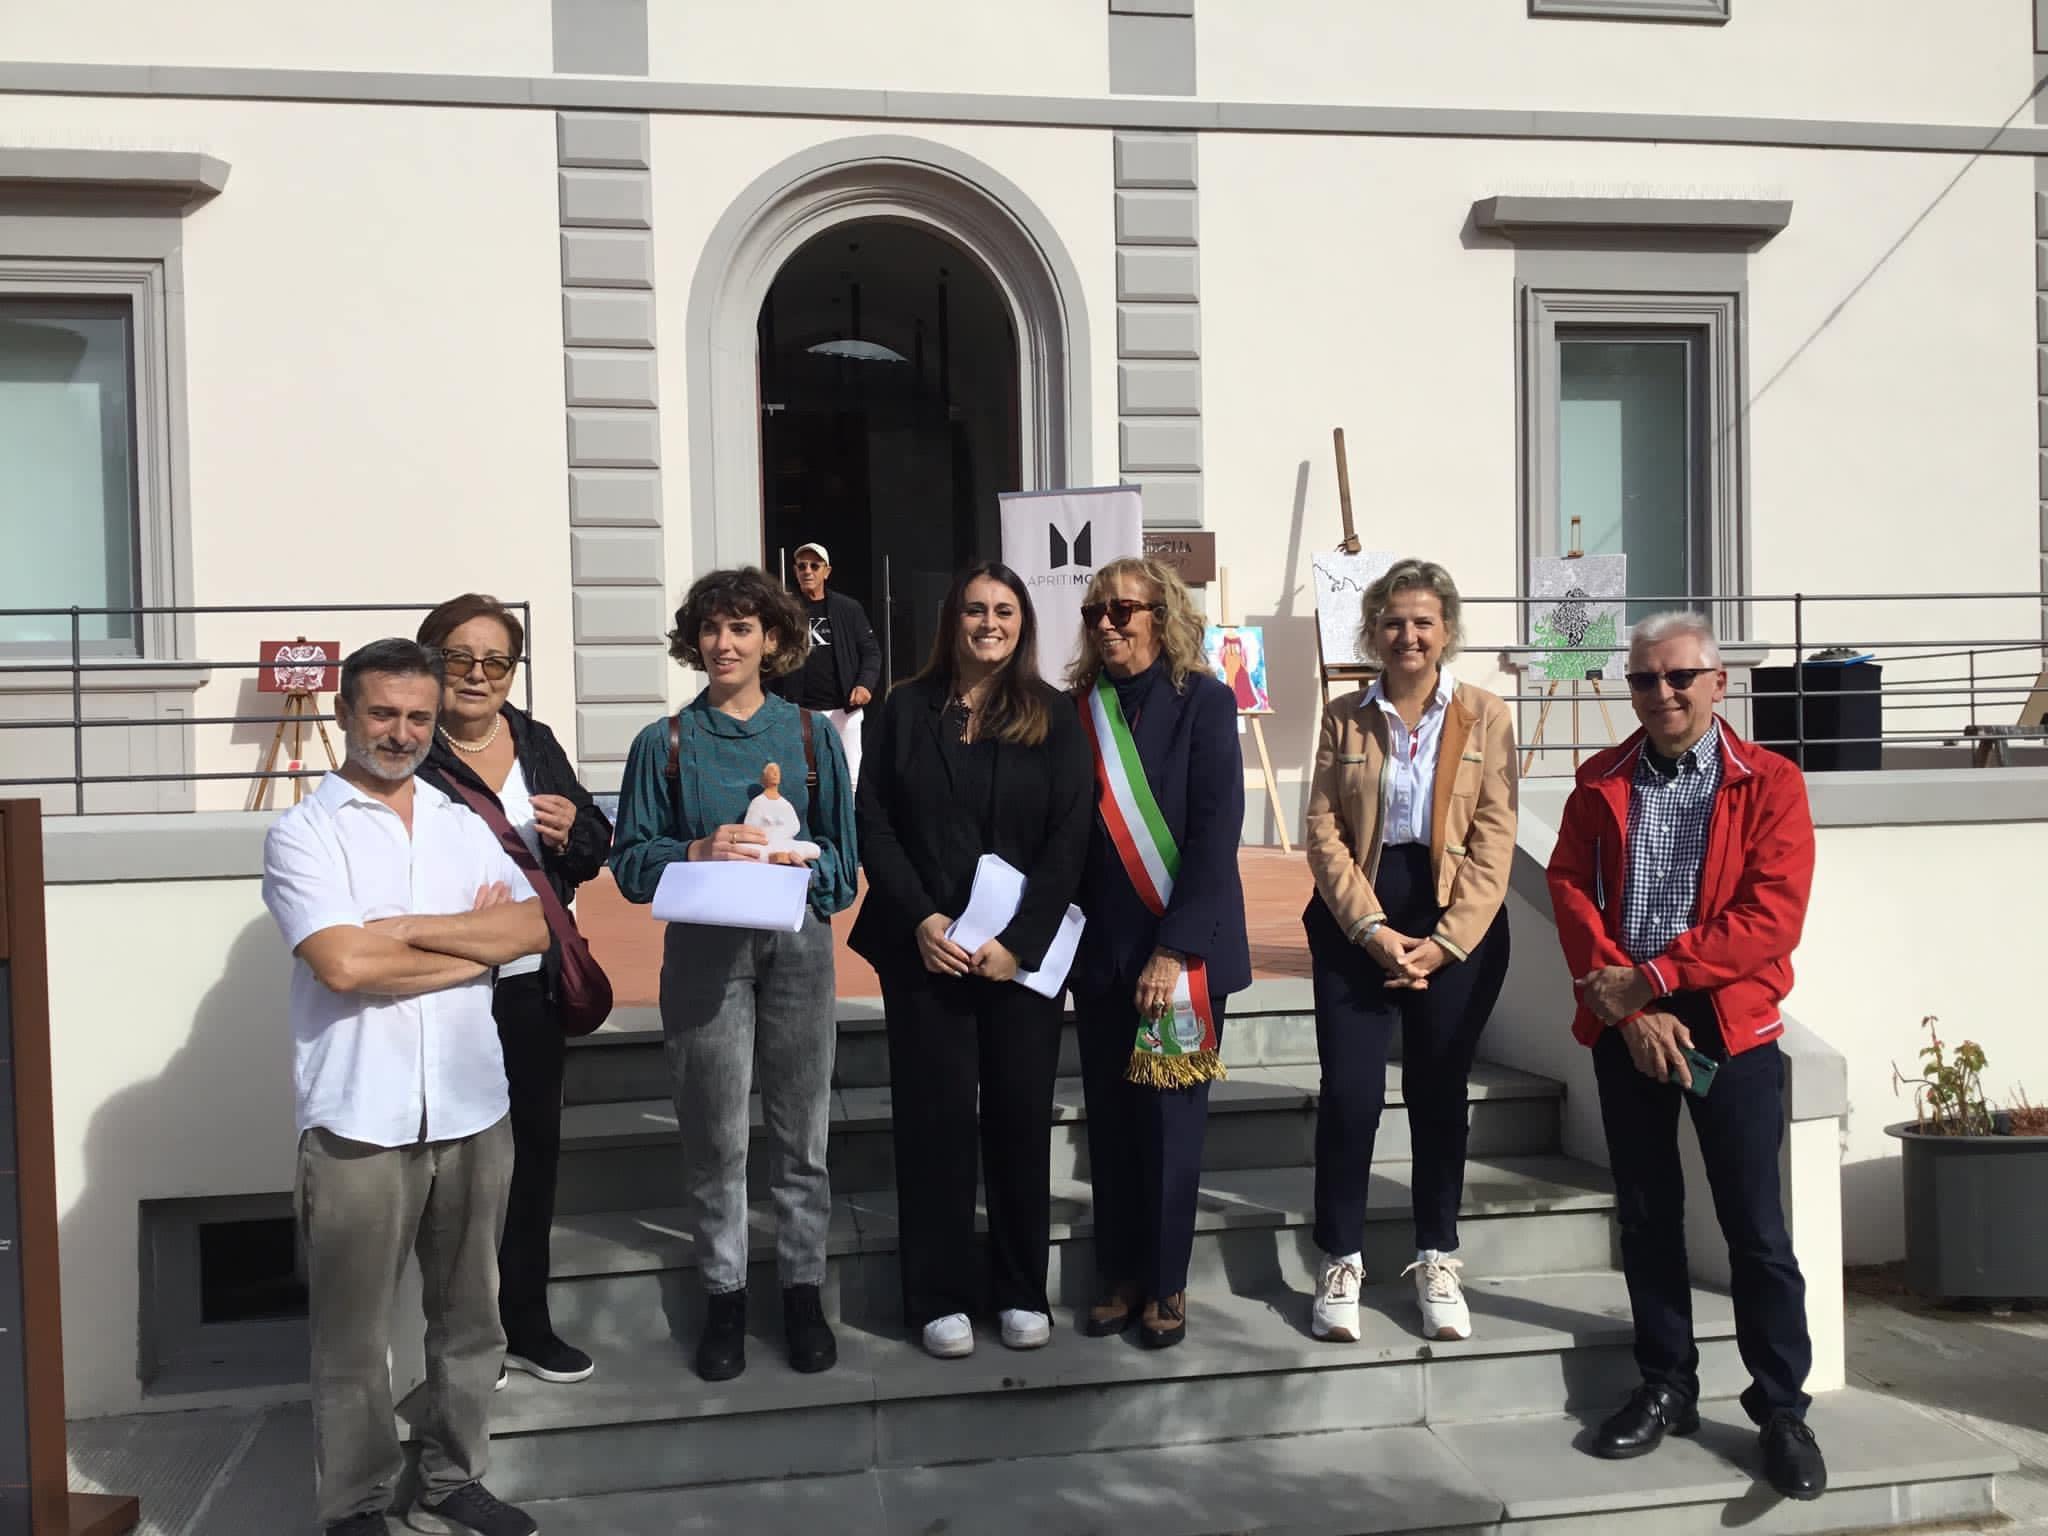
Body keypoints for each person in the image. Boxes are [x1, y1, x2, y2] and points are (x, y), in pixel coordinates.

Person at [260, 638, 548, 1536]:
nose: (401, 732)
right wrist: (467, 952)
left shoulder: (467, 823)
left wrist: (414, 937)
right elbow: (342, 964)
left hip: (472, 1105)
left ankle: (450, 1478)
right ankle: (353, 1505)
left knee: (472, 1321)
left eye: (418, 717)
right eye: (382, 713)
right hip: (359, 1114)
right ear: (346, 713)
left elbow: (536, 929)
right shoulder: (305, 833)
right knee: (352, 1340)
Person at [1545, 611, 1827, 1501]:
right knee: (1646, 1214)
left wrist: (1654, 980)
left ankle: (1781, 1407)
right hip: (1630, 1026)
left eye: (1677, 678)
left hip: (1729, 1029)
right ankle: (1667, 1384)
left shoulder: (1771, 782)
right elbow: (1568, 890)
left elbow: (1770, 916)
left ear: (1718, 682)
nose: (1660, 694)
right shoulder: (1599, 781)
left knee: (1756, 1229)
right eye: (1642, 680)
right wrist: (1626, 1006)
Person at [609, 568, 858, 1383]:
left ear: (774, 641)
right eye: (712, 629)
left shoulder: (816, 738)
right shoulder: (666, 742)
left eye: (743, 628)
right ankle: (723, 1294)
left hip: (797, 950)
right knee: (715, 1133)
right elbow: (630, 863)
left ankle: (801, 1290)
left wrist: (798, 864)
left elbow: (844, 868)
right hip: (705, 951)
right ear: (694, 642)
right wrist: (698, 849)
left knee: (802, 1133)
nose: (725, 644)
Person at [851, 561, 1093, 1359]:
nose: (990, 623)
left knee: (1019, 1120)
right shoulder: (903, 711)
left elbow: (1069, 838)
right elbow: (872, 819)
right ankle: (939, 1294)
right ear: (951, 620)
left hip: (1017, 959)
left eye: (1006, 611)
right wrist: (919, 916)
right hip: (926, 952)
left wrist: (1018, 942)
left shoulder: (1053, 716)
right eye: (975, 610)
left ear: (1023, 626)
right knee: (935, 1123)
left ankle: (1022, 1290)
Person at [1301, 558, 1516, 1346]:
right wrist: (1370, 929)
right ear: (1373, 631)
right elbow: (1322, 833)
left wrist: (1446, 942)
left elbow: (1495, 836)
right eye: (1393, 621)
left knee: (1438, 1096)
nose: (1408, 635)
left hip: (1453, 924)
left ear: (1447, 631)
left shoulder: (1486, 714)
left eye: (1423, 621)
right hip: (1358, 918)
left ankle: (1437, 1256)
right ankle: (1342, 1257)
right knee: (1352, 1097)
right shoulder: (1343, 716)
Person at [414, 593, 613, 1388]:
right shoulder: (411, 747)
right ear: (431, 661)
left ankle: (525, 1323)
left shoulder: (534, 739)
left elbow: (594, 845)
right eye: (459, 658)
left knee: (533, 1159)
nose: (476, 675)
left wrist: (576, 836)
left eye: (495, 662)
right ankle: (467, 1334)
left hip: (531, 989)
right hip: (443, 990)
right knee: (456, 1169)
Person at [1065, 557, 1249, 1350]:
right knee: (1110, 1124)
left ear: (1161, 614)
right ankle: (1120, 1275)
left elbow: (1216, 831)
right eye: (1097, 612)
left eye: (1124, 609)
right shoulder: (1079, 709)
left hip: (1184, 953)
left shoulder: (1204, 701)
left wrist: (1172, 950)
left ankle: (1167, 1284)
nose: (1108, 623)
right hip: (1102, 952)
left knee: (1171, 1127)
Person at [773, 540, 882, 782]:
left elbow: (871, 652)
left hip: (844, 710)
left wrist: (864, 685)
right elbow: (771, 657)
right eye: (802, 566)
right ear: (795, 571)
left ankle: (850, 820)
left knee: (850, 775)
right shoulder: (785, 612)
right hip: (800, 711)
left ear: (827, 571)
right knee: (801, 776)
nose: (808, 571)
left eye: (814, 565)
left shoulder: (848, 609)